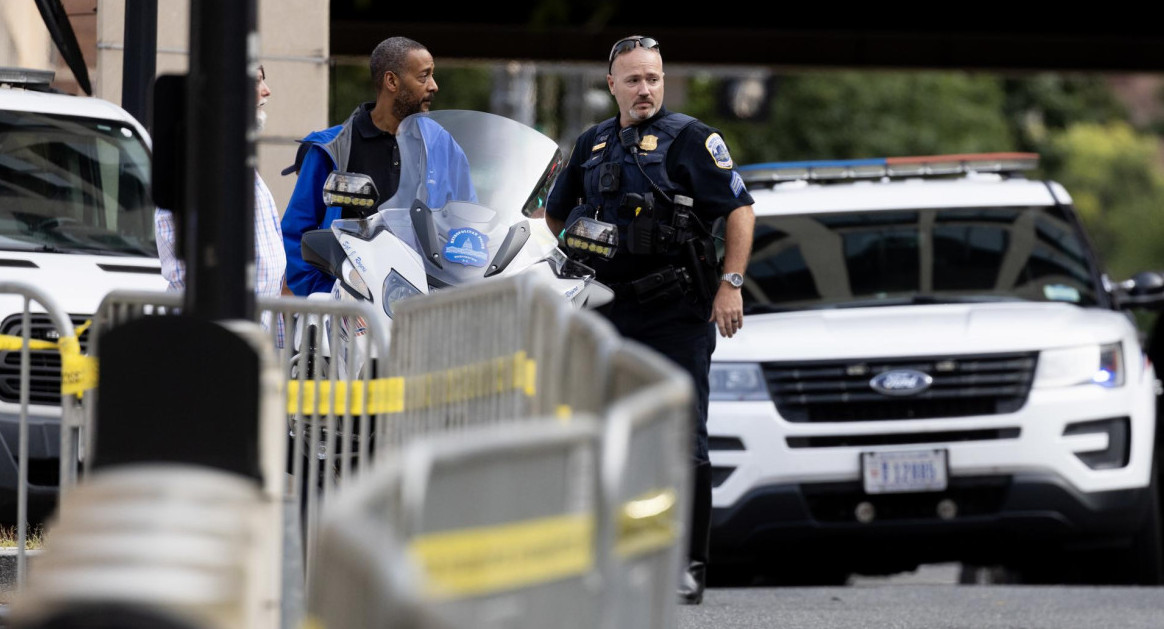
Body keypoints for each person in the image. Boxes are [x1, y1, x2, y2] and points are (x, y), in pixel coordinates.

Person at [545, 34, 756, 606]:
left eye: (653, 79)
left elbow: (739, 210)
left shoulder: (692, 140)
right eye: (634, 79)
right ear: (611, 84)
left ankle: (688, 563)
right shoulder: (590, 143)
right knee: (607, 435)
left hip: (676, 311)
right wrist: (580, 248)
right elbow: (554, 212)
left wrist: (730, 284)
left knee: (683, 437)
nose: (645, 89)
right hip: (608, 311)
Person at [280, 36, 438, 296]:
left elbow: (465, 220)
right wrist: (328, 295)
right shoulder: (331, 147)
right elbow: (297, 234)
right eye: (424, 76)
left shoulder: (442, 148)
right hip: (351, 318)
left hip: (425, 310)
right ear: (391, 81)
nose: (434, 86)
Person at [154, 63, 288, 342]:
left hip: (250, 335)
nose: (267, 91)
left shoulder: (237, 159)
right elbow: (186, 271)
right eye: (258, 80)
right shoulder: (202, 162)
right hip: (213, 338)